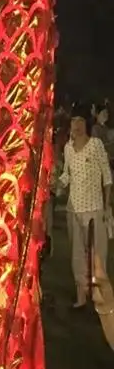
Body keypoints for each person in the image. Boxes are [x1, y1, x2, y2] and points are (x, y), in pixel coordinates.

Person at [58, 104, 111, 308]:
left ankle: (100, 294)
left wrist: (106, 206)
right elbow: (66, 174)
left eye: (80, 121)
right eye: (73, 121)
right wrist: (57, 183)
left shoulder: (95, 145)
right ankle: (81, 294)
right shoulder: (68, 148)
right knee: (77, 255)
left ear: (86, 124)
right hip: (74, 209)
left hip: (94, 208)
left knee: (98, 253)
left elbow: (107, 176)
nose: (76, 125)